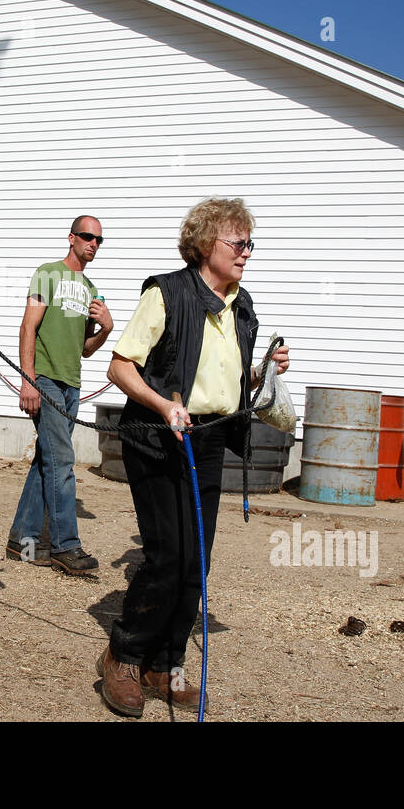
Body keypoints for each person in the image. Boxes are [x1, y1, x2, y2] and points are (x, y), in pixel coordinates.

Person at [98, 198, 289, 717]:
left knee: (196, 562)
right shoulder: (166, 293)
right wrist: (164, 404)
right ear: (206, 244)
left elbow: (227, 375)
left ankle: (166, 663)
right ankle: (123, 656)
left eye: (250, 244)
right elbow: (120, 367)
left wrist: (264, 370)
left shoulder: (242, 305)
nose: (246, 252)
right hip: (158, 436)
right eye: (238, 243)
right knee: (168, 555)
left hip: (207, 440)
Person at [7, 215, 113, 574]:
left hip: (72, 383)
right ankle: (66, 546)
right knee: (63, 461)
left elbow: (85, 349)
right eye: (87, 236)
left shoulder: (91, 289)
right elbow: (28, 327)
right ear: (71, 238)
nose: (93, 243)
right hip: (46, 379)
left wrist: (106, 329)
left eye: (98, 239)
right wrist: (28, 380)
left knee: (47, 460)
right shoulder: (48, 273)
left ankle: (21, 541)